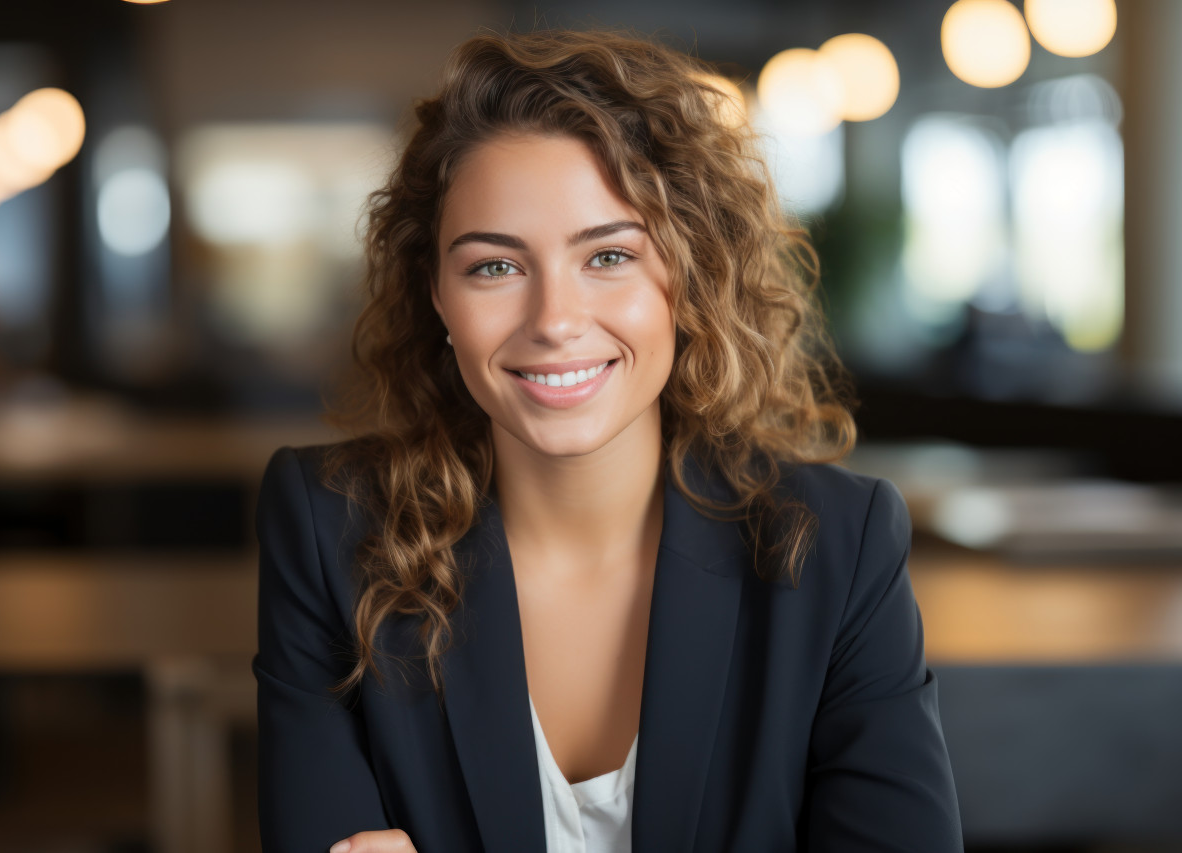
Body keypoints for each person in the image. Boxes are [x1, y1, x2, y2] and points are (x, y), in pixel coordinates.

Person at [252, 27, 963, 853]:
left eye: (610, 255)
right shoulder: (331, 529)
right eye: (495, 267)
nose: (555, 321)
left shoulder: (838, 546)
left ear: (687, 276)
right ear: (436, 295)